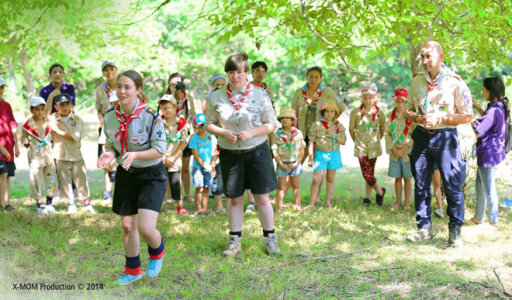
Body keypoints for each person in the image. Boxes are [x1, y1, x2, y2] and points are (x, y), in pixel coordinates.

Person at [206, 52, 280, 256]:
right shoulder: (216, 96)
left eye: (239, 72)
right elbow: (208, 124)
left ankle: (270, 238)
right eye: (231, 72)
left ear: (246, 73)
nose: (235, 76)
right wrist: (223, 132)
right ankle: (234, 241)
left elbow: (272, 124)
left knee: (262, 198)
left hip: (257, 151)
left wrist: (251, 132)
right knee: (235, 199)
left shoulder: (260, 94)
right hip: (230, 154)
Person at [98, 70, 167, 285]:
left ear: (138, 90)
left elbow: (159, 150)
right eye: (119, 86)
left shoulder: (150, 115)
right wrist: (108, 154)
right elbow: (111, 143)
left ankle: (157, 252)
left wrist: (135, 154)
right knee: (127, 225)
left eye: (127, 87)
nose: (122, 91)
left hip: (151, 175)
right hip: (127, 173)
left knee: (146, 227)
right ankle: (133, 269)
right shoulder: (110, 116)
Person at [404, 41, 473, 247]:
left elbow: (467, 115)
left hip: (445, 137)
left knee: (452, 185)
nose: (425, 61)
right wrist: (417, 118)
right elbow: (407, 109)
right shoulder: (416, 81)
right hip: (422, 137)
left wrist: (442, 120)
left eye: (429, 57)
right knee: (421, 185)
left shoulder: (455, 82)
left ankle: (455, 231)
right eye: (422, 57)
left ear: (440, 57)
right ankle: (424, 228)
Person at [471, 77, 509, 227]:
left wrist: (468, 118)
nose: (482, 91)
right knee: (480, 184)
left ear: (491, 91)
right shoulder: (498, 106)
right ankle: (478, 217)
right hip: (493, 152)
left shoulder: (494, 110)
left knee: (488, 186)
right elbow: (487, 117)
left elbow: (479, 131)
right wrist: (475, 106)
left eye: (484, 90)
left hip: (488, 153)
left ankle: (493, 219)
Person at [49, 93, 94, 214]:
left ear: (71, 105)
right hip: (60, 155)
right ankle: (71, 203)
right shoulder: (53, 119)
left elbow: (75, 137)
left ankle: (86, 203)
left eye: (67, 104)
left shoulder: (77, 120)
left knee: (81, 180)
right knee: (65, 181)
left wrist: (56, 130)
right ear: (56, 107)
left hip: (75, 155)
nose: (64, 107)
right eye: (61, 104)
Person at [291, 66, 344, 165]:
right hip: (303, 132)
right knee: (297, 163)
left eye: (316, 77)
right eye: (311, 76)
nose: (313, 79)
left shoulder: (327, 92)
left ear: (321, 78)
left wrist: (330, 121)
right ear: (306, 77)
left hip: (320, 133)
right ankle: (293, 180)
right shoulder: (299, 92)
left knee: (319, 166)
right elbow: (293, 113)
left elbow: (340, 107)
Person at [349, 82, 386, 207]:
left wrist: (376, 140)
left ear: (375, 97)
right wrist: (357, 141)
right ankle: (380, 191)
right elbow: (351, 129)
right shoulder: (356, 112)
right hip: (361, 147)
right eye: (365, 97)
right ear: (361, 98)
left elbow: (383, 130)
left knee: (370, 173)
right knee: (366, 173)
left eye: (370, 97)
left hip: (374, 147)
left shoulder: (380, 113)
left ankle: (367, 198)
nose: (368, 100)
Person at [306, 99, 346, 208]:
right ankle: (311, 203)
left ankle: (328, 202)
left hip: (334, 154)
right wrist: (310, 157)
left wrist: (335, 135)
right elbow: (311, 142)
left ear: (335, 113)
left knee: (330, 178)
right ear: (323, 112)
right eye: (327, 111)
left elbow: (344, 142)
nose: (329, 114)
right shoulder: (317, 125)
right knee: (316, 179)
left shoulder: (338, 125)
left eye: (332, 111)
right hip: (320, 154)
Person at [21, 97, 57, 214]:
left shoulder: (48, 122)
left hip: (48, 155)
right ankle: (39, 203)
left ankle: (49, 202)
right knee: (35, 178)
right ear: (31, 110)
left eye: (42, 109)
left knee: (51, 177)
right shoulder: (28, 125)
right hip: (36, 156)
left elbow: (53, 137)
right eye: (37, 109)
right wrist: (30, 146)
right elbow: (24, 139)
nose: (40, 112)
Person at [165, 73, 196, 203]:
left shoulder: (188, 98)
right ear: (168, 85)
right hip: (171, 135)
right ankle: (169, 195)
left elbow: (192, 113)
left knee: (184, 167)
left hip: (185, 134)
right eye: (173, 84)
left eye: (178, 83)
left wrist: (186, 126)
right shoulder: (166, 98)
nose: (175, 87)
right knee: (170, 165)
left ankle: (187, 194)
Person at [159, 94, 190, 216]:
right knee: (158, 182)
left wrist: (173, 157)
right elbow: (154, 141)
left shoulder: (181, 123)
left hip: (175, 159)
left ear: (175, 107)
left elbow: (184, 142)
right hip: (160, 157)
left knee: (176, 181)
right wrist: (163, 157)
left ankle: (180, 206)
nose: (167, 110)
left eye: (169, 107)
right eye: (164, 108)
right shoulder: (158, 122)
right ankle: (156, 205)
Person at [385, 88, 415, 212]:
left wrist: (404, 149)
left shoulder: (411, 117)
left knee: (407, 178)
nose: (399, 104)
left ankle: (407, 203)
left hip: (407, 153)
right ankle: (398, 202)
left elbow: (414, 134)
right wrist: (393, 149)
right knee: (397, 177)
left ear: (406, 102)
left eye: (402, 101)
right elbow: (387, 134)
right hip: (394, 153)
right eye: (397, 101)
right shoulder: (389, 116)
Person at [271, 106, 306, 212]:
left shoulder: (298, 133)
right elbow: (274, 150)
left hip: (294, 163)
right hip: (282, 163)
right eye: (282, 118)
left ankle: (298, 206)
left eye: (287, 118)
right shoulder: (277, 134)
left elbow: (301, 150)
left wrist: (296, 163)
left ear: (292, 120)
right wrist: (281, 164)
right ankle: (279, 207)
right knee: (281, 187)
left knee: (295, 185)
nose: (284, 120)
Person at [96, 60, 118, 205]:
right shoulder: (100, 89)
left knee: (120, 162)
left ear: (116, 70)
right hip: (105, 127)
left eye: (111, 69)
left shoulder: (123, 85)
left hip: (120, 127)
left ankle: (119, 191)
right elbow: (99, 109)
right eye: (106, 70)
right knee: (106, 161)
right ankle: (107, 192)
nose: (109, 72)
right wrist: (102, 124)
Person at [189, 113, 217, 216]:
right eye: (197, 126)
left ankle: (204, 209)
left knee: (206, 188)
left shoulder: (211, 137)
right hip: (198, 168)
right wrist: (204, 165)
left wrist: (212, 165)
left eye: (202, 126)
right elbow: (196, 155)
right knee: (199, 188)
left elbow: (215, 152)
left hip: (209, 168)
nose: (199, 128)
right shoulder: (194, 139)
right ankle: (198, 209)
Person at [0, 76, 20, 211]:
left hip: (9, 146)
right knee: (2, 174)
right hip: (1, 148)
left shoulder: (7, 105)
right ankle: (1, 203)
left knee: (8, 175)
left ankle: (6, 202)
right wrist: (2, 149)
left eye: (2, 87)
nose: (0, 90)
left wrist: (16, 145)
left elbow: (13, 125)